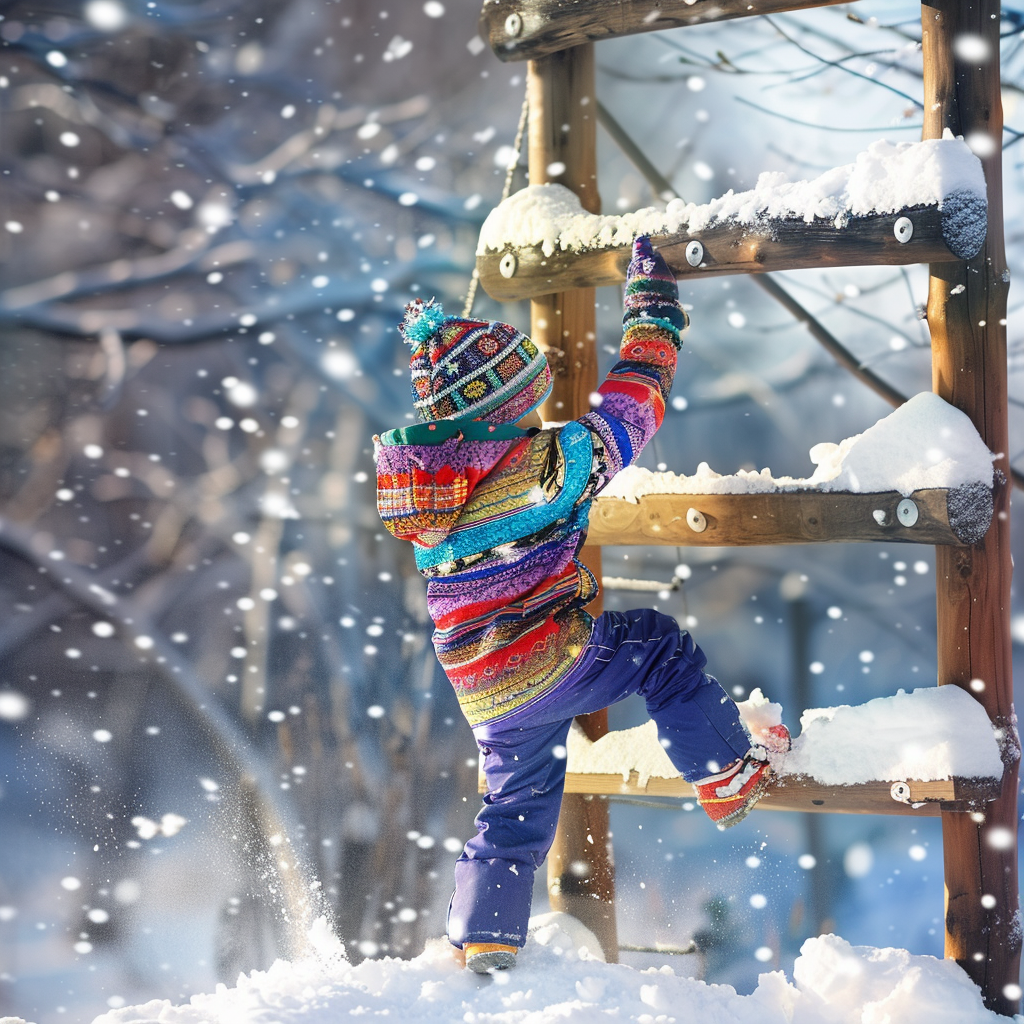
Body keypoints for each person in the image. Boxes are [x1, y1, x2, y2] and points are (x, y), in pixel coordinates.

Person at [374, 236, 787, 974]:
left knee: (514, 807)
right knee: (658, 646)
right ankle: (726, 771)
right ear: (509, 405)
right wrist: (652, 316)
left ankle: (485, 935)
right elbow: (633, 409)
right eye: (529, 389)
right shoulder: (544, 467)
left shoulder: (433, 497)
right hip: (549, 654)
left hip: (483, 684)